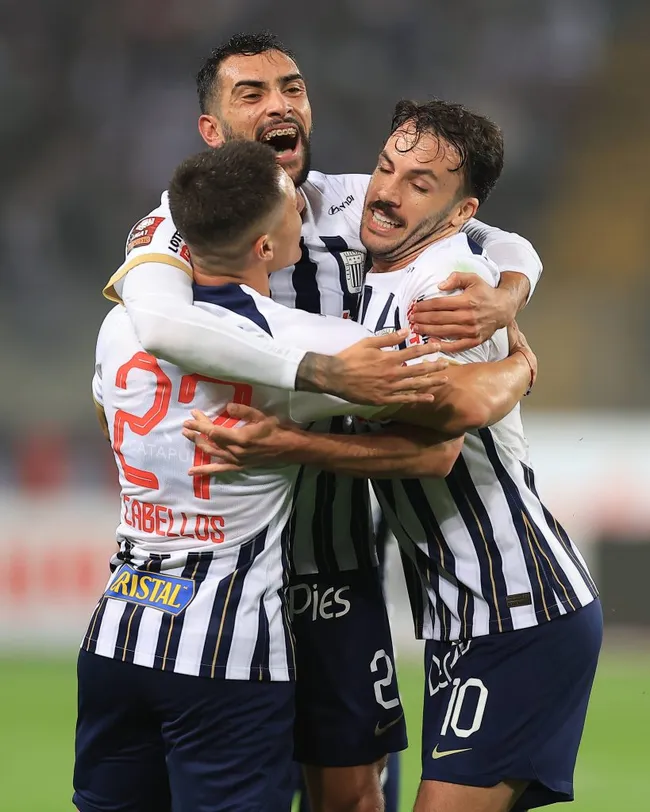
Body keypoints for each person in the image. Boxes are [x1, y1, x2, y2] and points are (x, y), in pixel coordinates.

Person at [102, 31, 545, 812]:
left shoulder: (353, 203)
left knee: (347, 794)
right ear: (212, 131)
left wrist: (508, 294)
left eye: (292, 88)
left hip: (335, 566)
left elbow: (496, 235)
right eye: (252, 94)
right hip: (232, 571)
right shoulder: (177, 224)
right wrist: (326, 373)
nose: (280, 104)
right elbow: (160, 323)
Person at [186, 100, 602, 812]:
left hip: (521, 610)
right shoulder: (376, 269)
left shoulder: (444, 290)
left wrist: (285, 443)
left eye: (420, 184)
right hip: (462, 614)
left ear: (460, 210)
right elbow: (513, 251)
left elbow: (438, 449)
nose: (386, 191)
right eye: (387, 167)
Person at [76, 139, 471, 812]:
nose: (305, 210)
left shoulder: (121, 326)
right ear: (265, 247)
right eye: (291, 204)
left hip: (118, 632)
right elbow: (448, 403)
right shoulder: (302, 343)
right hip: (225, 649)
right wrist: (519, 362)